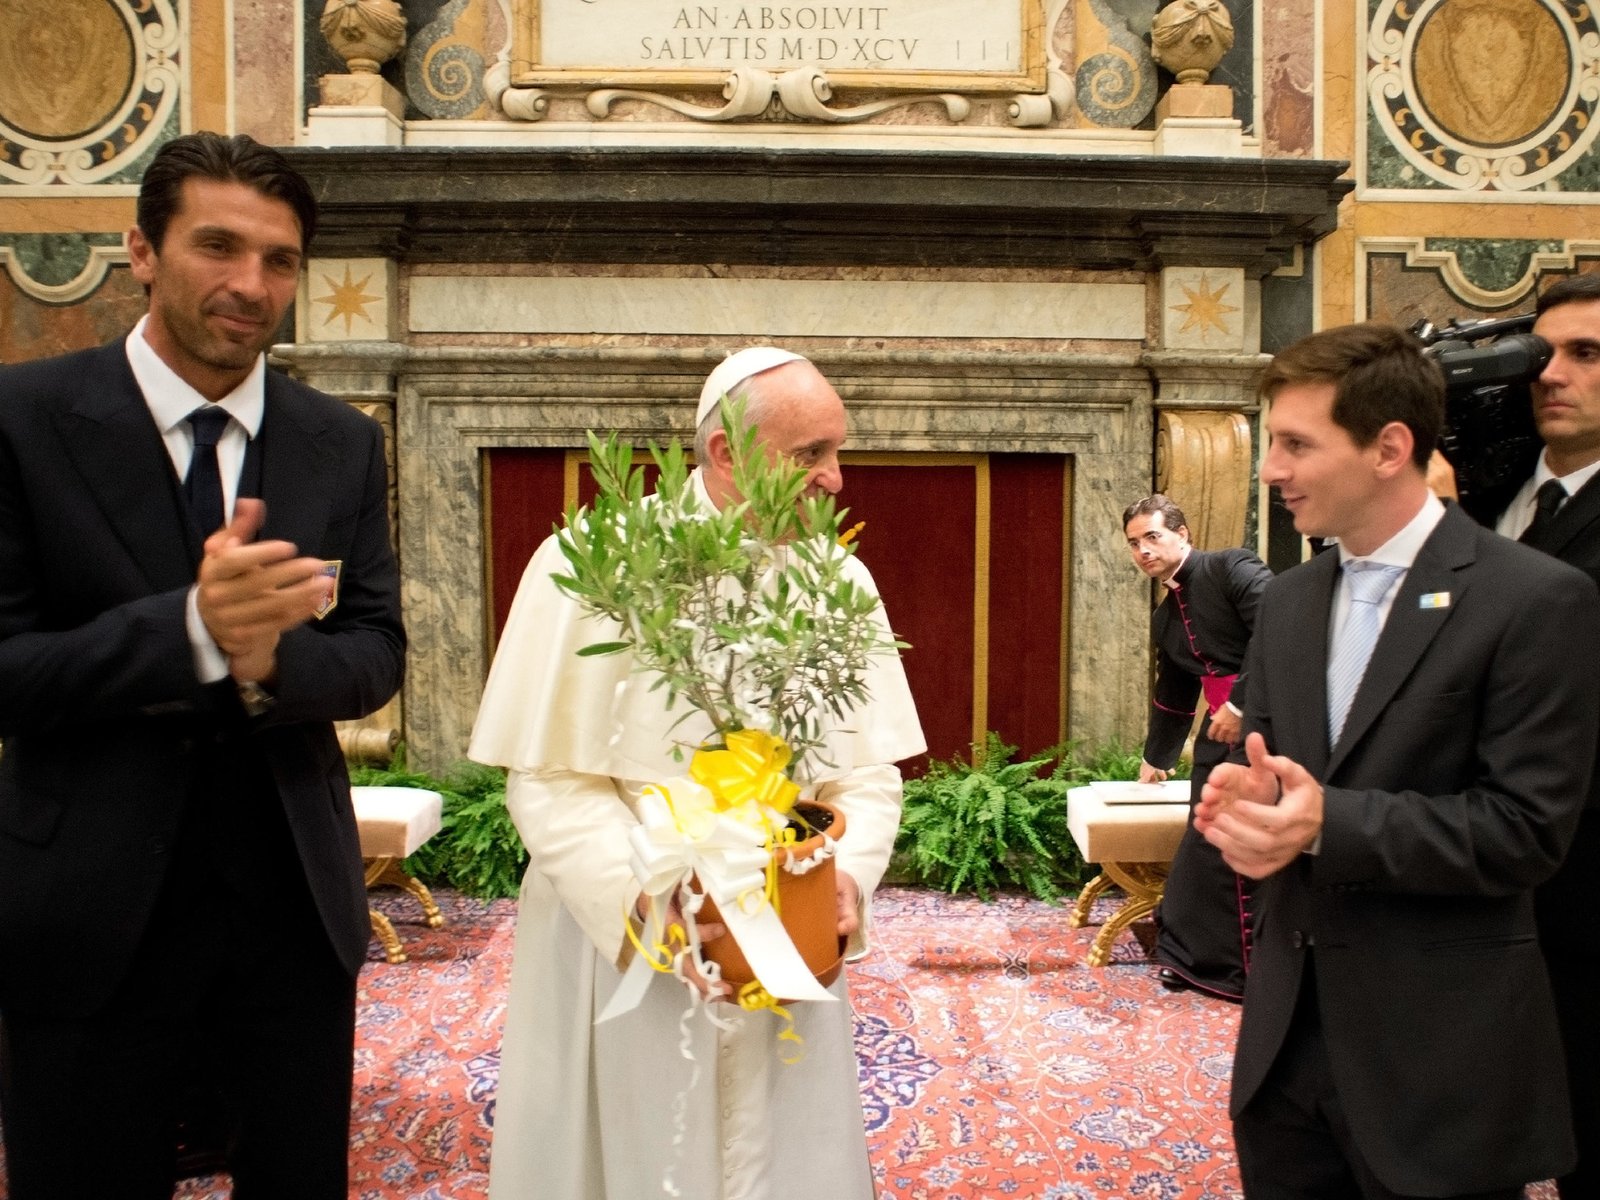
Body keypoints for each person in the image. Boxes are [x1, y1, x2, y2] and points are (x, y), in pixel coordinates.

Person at [0, 132, 406, 1199]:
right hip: (89, 912)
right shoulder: (24, 419)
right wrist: (189, 630)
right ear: (140, 248)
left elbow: (373, 653)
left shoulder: (339, 442)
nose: (250, 284)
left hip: (289, 918)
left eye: (279, 260)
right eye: (217, 246)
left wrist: (273, 660)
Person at [469, 347, 925, 1200]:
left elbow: (866, 774)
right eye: (810, 455)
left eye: (837, 451)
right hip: (628, 934)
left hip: (787, 930)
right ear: (727, 455)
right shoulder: (592, 564)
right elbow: (549, 779)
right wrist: (650, 906)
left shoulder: (838, 578)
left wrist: (847, 883)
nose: (837, 479)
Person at [1194, 321, 1599, 1199]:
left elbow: (1527, 832)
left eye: (1297, 444)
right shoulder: (1291, 602)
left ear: (1389, 448)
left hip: (1440, 1066)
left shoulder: (1536, 600)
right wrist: (1246, 809)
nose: (1272, 470)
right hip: (1285, 1061)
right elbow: (1277, 776)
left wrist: (1325, 823)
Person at [1483, 272, 1600, 1199]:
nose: (1550, 374)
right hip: (1494, 890)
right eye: (1544, 352)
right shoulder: (1504, 492)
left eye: (1587, 355)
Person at [1124, 493, 1271, 1000]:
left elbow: (1278, 624)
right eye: (1134, 543)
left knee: (1216, 847)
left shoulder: (1232, 567)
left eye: (1153, 536)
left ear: (1182, 535)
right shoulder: (1166, 619)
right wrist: (1155, 759)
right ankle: (1204, 964)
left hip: (1269, 726)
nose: (1143, 550)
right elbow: (1174, 695)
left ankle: (1242, 969)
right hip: (1220, 735)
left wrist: (1242, 703)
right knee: (1204, 837)